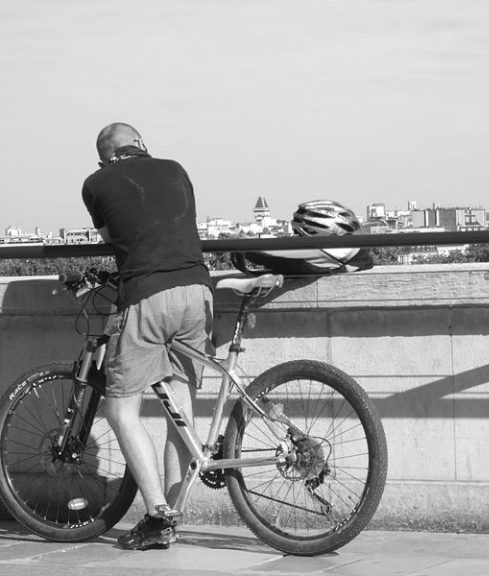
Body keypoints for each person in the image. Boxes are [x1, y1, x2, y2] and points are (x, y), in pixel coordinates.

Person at [82, 122, 213, 550]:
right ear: (140, 145)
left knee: (121, 412)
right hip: (197, 293)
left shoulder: (96, 183)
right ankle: (174, 514)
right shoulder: (175, 168)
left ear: (106, 157)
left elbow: (114, 239)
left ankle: (157, 515)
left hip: (146, 297)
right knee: (180, 407)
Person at [235, 200, 373, 275]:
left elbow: (287, 255)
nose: (297, 238)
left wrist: (246, 246)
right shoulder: (353, 250)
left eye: (300, 235)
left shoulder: (343, 250)